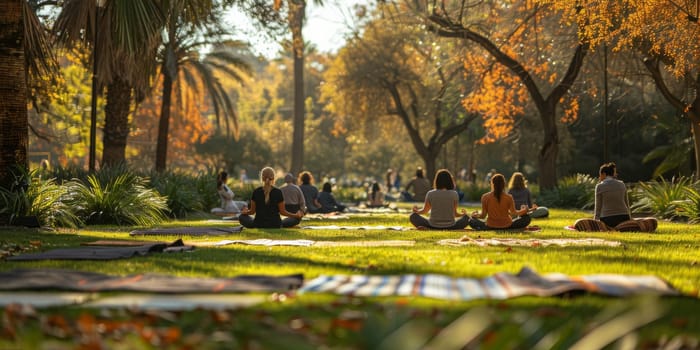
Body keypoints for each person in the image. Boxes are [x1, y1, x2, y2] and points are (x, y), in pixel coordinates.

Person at [238, 167, 304, 228]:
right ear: (273, 178)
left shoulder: (256, 192)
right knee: (296, 219)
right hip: (275, 224)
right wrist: (295, 215)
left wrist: (245, 212)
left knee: (241, 217)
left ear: (262, 178)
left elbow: (252, 212)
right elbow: (283, 212)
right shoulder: (278, 192)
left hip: (258, 224)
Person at [594, 162, 631, 227]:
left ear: (604, 174)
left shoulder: (599, 186)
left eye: (600, 175)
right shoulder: (622, 184)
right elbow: (626, 204)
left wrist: (595, 222)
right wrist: (630, 219)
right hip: (624, 218)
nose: (599, 177)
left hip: (608, 220)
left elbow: (598, 207)